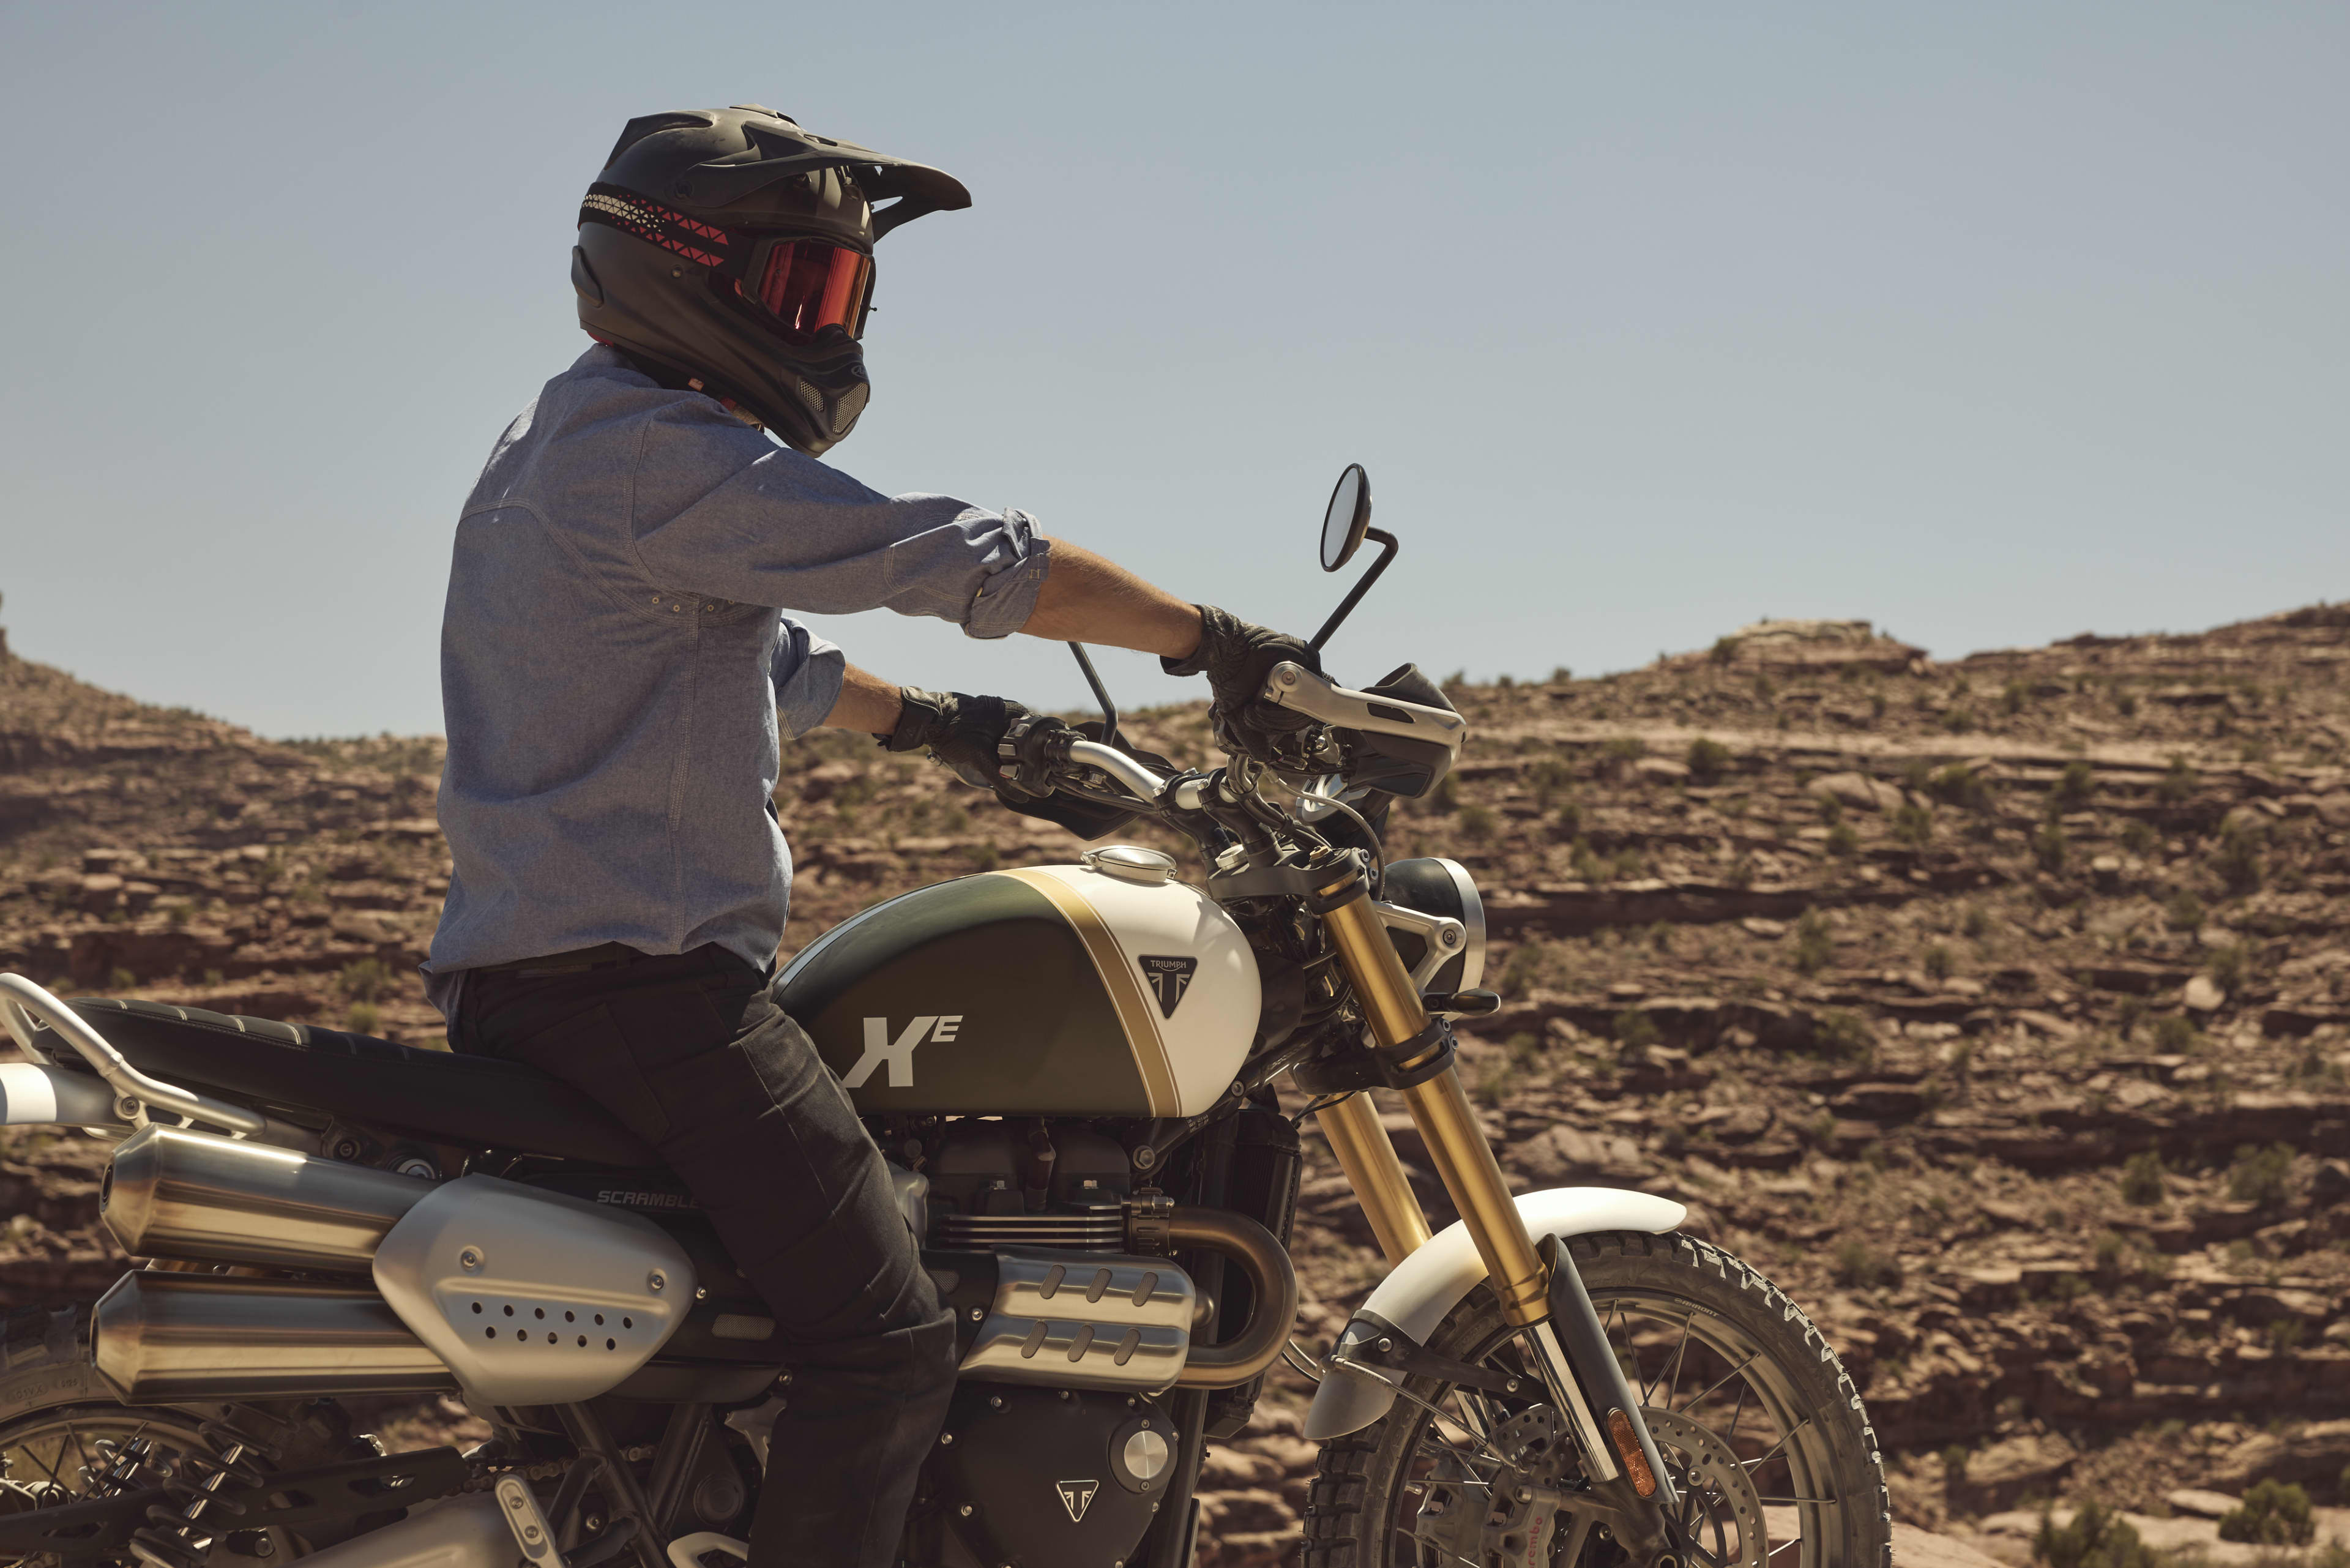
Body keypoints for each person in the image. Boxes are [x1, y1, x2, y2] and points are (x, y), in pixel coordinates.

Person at [422, 105, 1319, 1568]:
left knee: (803, 1310)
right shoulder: (663, 452)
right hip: (642, 995)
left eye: (843, 297)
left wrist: (958, 730)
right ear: (680, 271)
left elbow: (756, 663)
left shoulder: (563, 436)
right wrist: (1207, 640)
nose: (826, 326)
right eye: (803, 290)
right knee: (891, 1341)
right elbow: (948, 555)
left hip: (557, 989)